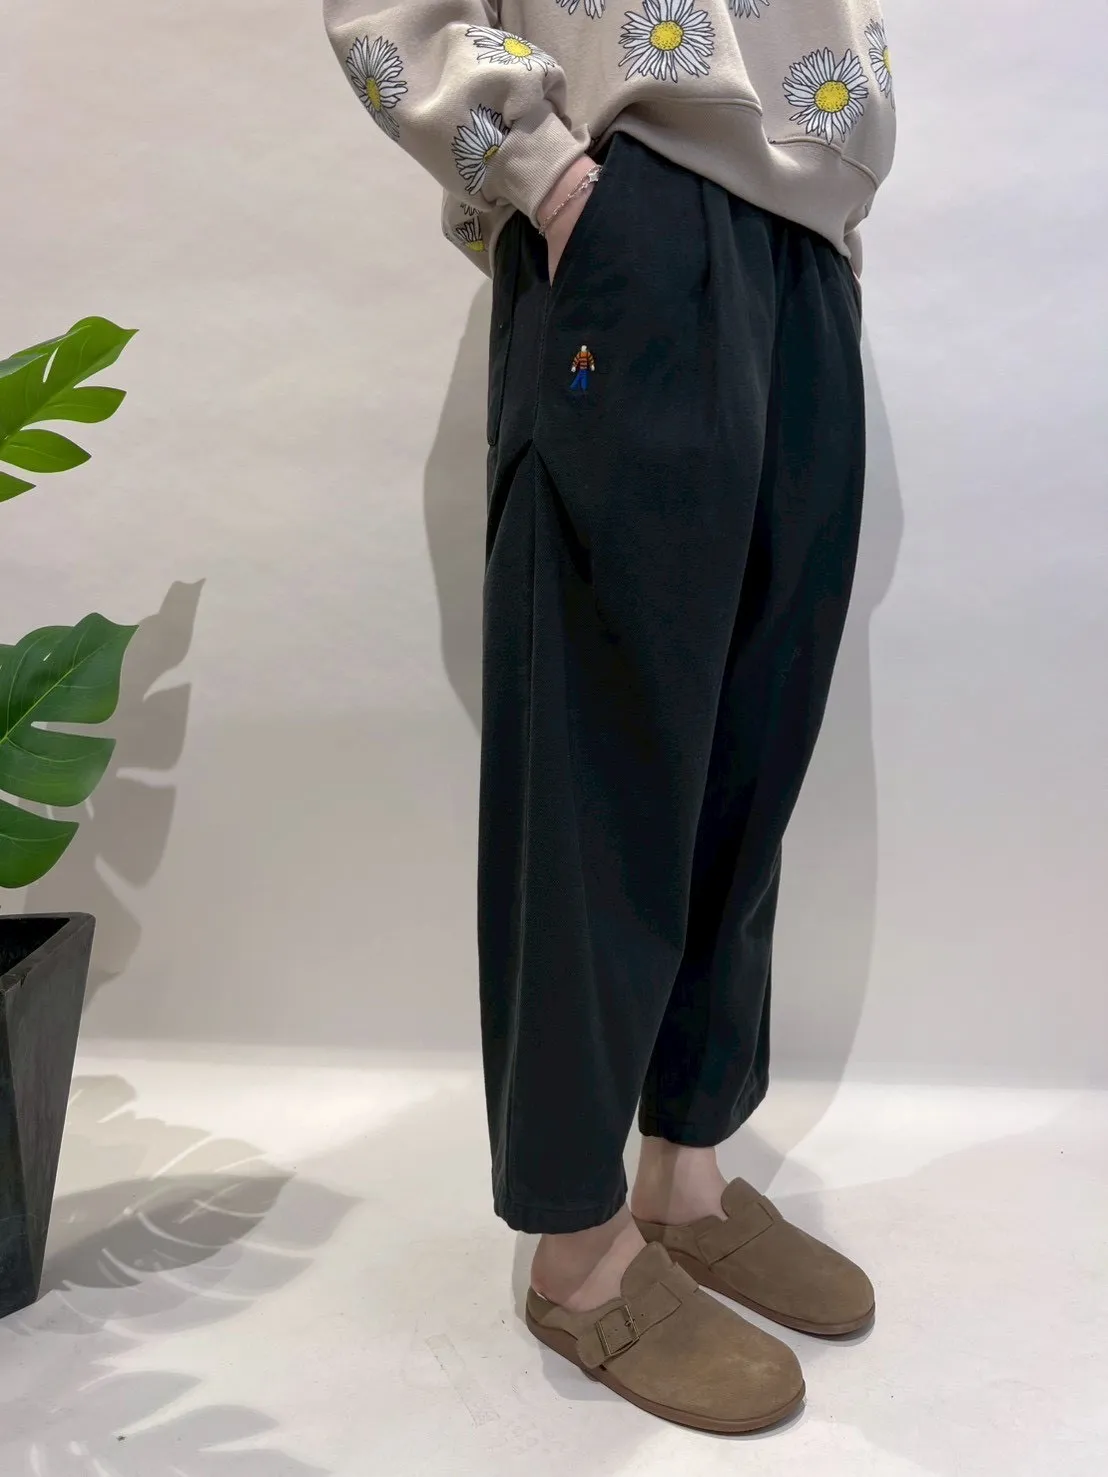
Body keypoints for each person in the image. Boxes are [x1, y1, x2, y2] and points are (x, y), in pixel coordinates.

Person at [323, 0, 896, 1435]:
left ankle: (684, 1176)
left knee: (753, 745)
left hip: (804, 243)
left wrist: (826, 227)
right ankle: (576, 1250)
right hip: (631, 206)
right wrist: (551, 177)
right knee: (601, 750)